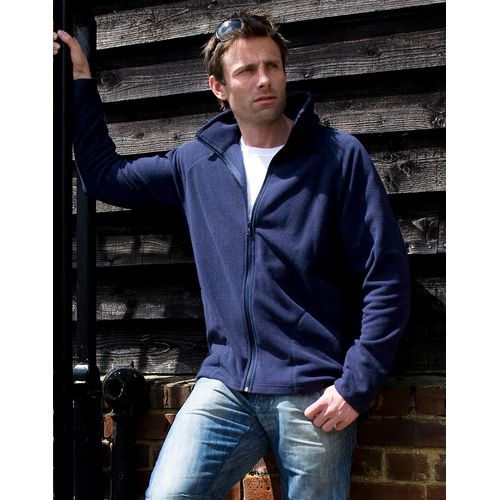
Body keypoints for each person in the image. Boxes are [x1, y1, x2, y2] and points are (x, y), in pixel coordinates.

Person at [54, 11, 410, 500]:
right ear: (218, 87)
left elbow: (386, 277)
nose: (263, 79)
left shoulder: (338, 157)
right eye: (246, 70)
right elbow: (104, 177)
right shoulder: (197, 164)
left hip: (312, 390)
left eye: (272, 66)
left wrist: (356, 385)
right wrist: (80, 79)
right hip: (226, 385)